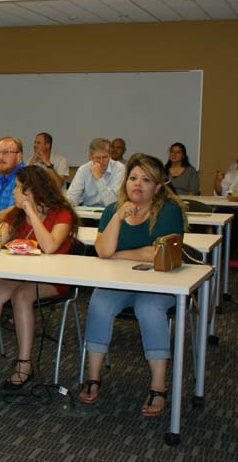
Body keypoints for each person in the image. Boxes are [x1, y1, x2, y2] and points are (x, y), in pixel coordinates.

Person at [78, 154, 187, 417]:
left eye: (146, 180)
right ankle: (93, 376)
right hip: (121, 282)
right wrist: (117, 218)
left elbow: (158, 253)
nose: (137, 184)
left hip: (161, 282)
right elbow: (103, 251)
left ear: (158, 187)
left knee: (148, 309)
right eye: (133, 178)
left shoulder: (168, 210)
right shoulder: (112, 209)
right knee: (99, 303)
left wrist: (120, 253)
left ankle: (158, 386)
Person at [0, 165, 78, 387]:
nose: (13, 192)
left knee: (22, 296)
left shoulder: (62, 214)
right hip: (23, 273)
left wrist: (32, 213)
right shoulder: (17, 213)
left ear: (31, 192)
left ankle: (24, 364)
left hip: (54, 278)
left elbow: (50, 246)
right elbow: (2, 237)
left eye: (18, 188)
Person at [67, 138, 125, 207]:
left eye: (105, 157)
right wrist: (70, 202)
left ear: (110, 155)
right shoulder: (83, 169)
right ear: (91, 157)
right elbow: (72, 197)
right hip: (87, 214)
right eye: (97, 158)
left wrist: (99, 177)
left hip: (109, 214)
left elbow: (112, 204)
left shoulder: (119, 169)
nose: (101, 161)